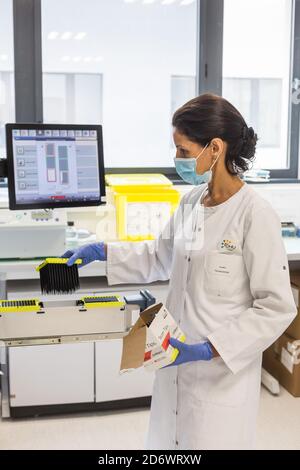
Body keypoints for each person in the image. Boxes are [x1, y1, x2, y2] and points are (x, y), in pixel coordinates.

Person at [62, 94, 296, 450]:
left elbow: (276, 308)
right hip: (173, 364)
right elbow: (159, 255)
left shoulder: (254, 215)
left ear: (215, 148)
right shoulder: (191, 202)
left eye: (184, 151)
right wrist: (102, 251)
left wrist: (208, 349)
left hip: (220, 378)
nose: (177, 160)